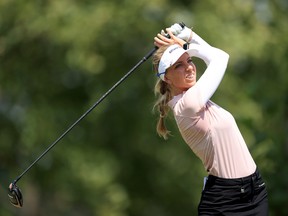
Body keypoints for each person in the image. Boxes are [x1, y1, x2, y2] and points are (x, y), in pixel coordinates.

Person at [152, 23, 269, 215]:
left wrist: (189, 36)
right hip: (226, 202)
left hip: (256, 191)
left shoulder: (194, 95)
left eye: (189, 61)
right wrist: (188, 43)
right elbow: (220, 57)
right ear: (167, 78)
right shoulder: (187, 105)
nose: (189, 68)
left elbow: (214, 58)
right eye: (179, 65)